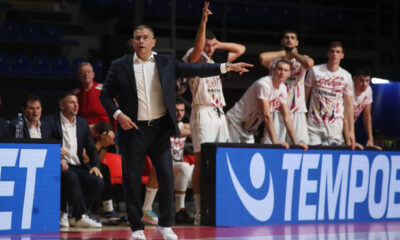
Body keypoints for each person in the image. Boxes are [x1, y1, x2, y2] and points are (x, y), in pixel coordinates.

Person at [100, 24, 251, 240]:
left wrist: (225, 67)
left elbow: (195, 69)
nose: (141, 41)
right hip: (133, 130)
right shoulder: (119, 65)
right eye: (137, 38)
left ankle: (165, 225)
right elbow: (105, 96)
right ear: (133, 42)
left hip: (160, 130)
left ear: (153, 42)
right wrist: (118, 115)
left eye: (145, 38)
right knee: (131, 181)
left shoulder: (166, 62)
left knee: (167, 176)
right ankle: (136, 228)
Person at [183, 1, 246, 225]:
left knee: (221, 158)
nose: (208, 49)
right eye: (207, 45)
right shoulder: (194, 56)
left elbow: (240, 50)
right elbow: (199, 49)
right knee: (201, 160)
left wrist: (217, 45)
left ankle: (218, 206)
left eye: (212, 45)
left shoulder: (215, 59)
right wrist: (203, 22)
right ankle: (200, 209)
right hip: (202, 111)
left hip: (220, 113)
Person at [46, 93, 104, 228]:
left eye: (77, 102)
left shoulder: (83, 123)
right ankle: (80, 216)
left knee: (98, 182)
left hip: (78, 166)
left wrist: (95, 165)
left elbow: (92, 149)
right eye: (72, 102)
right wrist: (55, 154)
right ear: (62, 106)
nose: (76, 105)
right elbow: (45, 143)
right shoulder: (50, 121)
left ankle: (74, 213)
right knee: (71, 177)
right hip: (60, 165)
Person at [226, 59, 308, 151]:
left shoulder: (282, 88)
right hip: (235, 123)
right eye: (280, 69)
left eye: (285, 70)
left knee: (247, 158)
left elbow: (287, 116)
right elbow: (266, 115)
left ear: (289, 74)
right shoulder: (264, 84)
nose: (282, 73)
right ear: (274, 70)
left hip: (249, 130)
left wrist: (295, 142)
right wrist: (275, 141)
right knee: (230, 154)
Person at [141, 99, 195, 225]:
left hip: (177, 166)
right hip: (162, 163)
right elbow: (178, 131)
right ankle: (146, 208)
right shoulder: (163, 124)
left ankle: (180, 211)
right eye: (176, 110)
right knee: (183, 166)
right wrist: (188, 131)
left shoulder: (183, 125)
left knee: (187, 167)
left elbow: (192, 127)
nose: (179, 113)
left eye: (182, 110)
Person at [259, 30, 314, 144]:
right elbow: (262, 58)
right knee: (273, 147)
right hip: (276, 109)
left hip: (296, 110)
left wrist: (294, 54)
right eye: (287, 37)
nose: (290, 40)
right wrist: (283, 53)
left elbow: (309, 64)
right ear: (282, 41)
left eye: (293, 38)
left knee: (300, 146)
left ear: (297, 42)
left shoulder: (302, 59)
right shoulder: (275, 60)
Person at [305, 41, 355, 149]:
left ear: (342, 55)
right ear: (327, 53)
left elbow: (349, 106)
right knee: (314, 157)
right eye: (332, 51)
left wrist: (351, 131)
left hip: (335, 127)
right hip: (314, 125)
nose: (334, 54)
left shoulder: (346, 76)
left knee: (332, 161)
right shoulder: (315, 70)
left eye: (338, 52)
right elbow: (304, 98)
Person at [86, 122, 121, 223]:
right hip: (75, 163)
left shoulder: (103, 135)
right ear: (100, 135)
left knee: (104, 168)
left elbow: (99, 159)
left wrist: (105, 145)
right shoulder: (85, 131)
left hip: (88, 163)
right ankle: (83, 210)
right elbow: (85, 158)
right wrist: (100, 143)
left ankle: (108, 209)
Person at [350, 68, 381, 150]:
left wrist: (370, 139)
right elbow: (344, 118)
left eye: (367, 81)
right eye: (361, 81)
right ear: (354, 79)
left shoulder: (368, 90)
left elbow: (366, 116)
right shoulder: (348, 89)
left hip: (348, 130)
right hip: (337, 127)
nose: (365, 84)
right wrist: (350, 140)